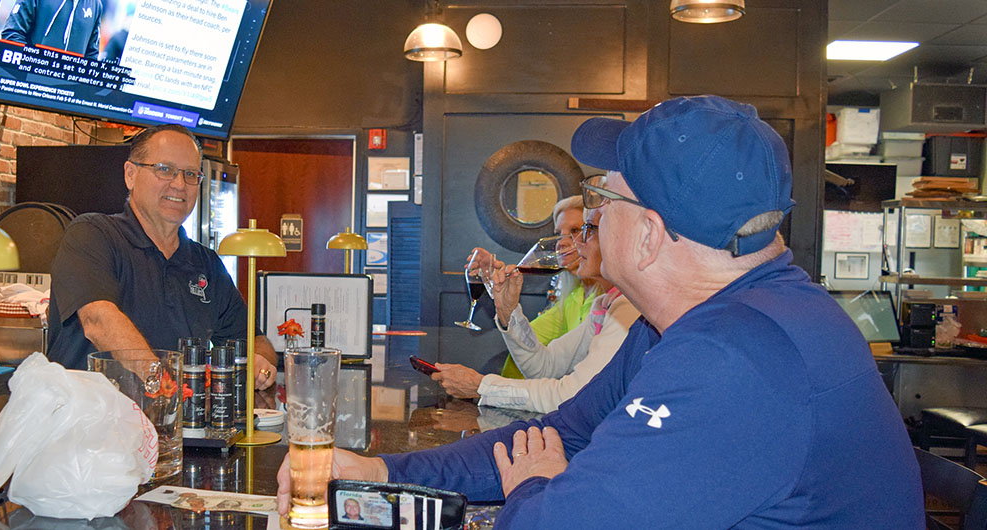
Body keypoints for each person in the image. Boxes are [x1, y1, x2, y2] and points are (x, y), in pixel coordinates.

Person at [277, 96, 922, 528]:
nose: (586, 216)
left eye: (599, 198)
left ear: (648, 233)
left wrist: (537, 489)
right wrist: (379, 471)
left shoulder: (736, 361)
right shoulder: (686, 325)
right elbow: (553, 438)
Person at [46, 124, 278, 388]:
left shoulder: (206, 264)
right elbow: (98, 320)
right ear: (130, 175)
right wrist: (158, 378)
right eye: (164, 169)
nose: (179, 184)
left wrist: (261, 365)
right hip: (90, 423)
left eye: (190, 174)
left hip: (175, 425)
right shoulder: (93, 234)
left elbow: (254, 341)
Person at [431, 206, 640, 413]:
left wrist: (481, 387)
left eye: (587, 230)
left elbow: (575, 395)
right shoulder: (605, 304)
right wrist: (508, 310)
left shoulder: (629, 308)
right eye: (561, 234)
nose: (572, 243)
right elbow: (544, 366)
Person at [497, 196, 600, 379]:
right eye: (559, 233)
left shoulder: (609, 303)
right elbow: (529, 349)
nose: (561, 242)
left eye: (576, 230)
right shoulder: (574, 297)